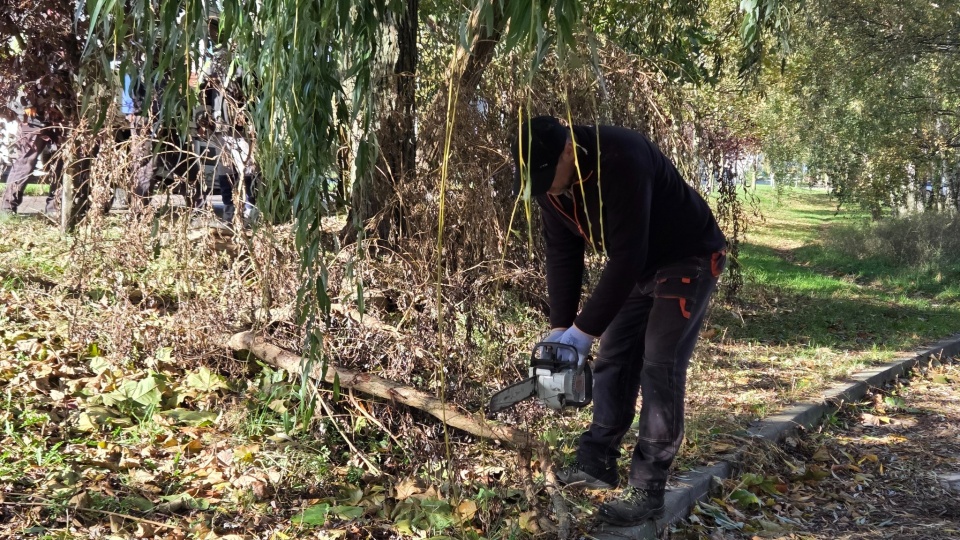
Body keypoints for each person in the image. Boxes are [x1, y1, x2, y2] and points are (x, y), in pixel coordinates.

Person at [511, 115, 727, 527]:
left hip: (687, 254)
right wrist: (561, 328)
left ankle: (648, 487)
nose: (545, 188)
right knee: (613, 356)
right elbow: (562, 253)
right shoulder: (548, 185)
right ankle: (597, 460)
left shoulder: (620, 157)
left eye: (547, 177)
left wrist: (583, 332)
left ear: (568, 151)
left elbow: (628, 254)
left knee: (660, 362)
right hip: (639, 263)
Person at [0, 92, 63, 216]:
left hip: (62, 115)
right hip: (34, 117)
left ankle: (54, 208)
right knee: (25, 162)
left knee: (62, 162)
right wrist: (28, 103)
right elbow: (25, 83)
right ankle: (7, 208)